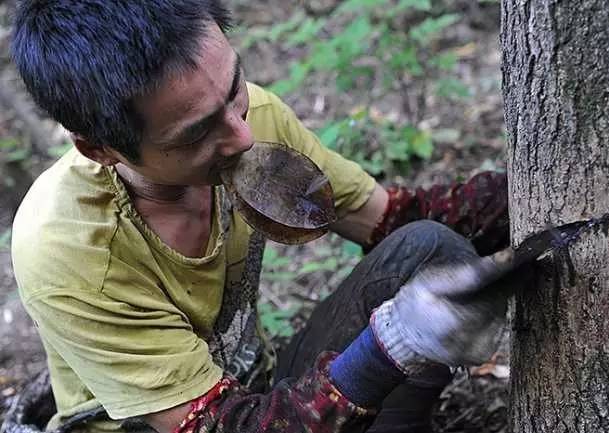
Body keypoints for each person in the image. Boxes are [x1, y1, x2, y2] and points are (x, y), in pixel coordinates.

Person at [6, 1, 509, 433]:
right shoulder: (70, 249)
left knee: (423, 251)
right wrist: (396, 341)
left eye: (235, 87)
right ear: (100, 148)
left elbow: (390, 219)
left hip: (257, 392)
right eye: (195, 134)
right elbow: (218, 424)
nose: (242, 136)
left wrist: (554, 189)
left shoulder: (247, 121)